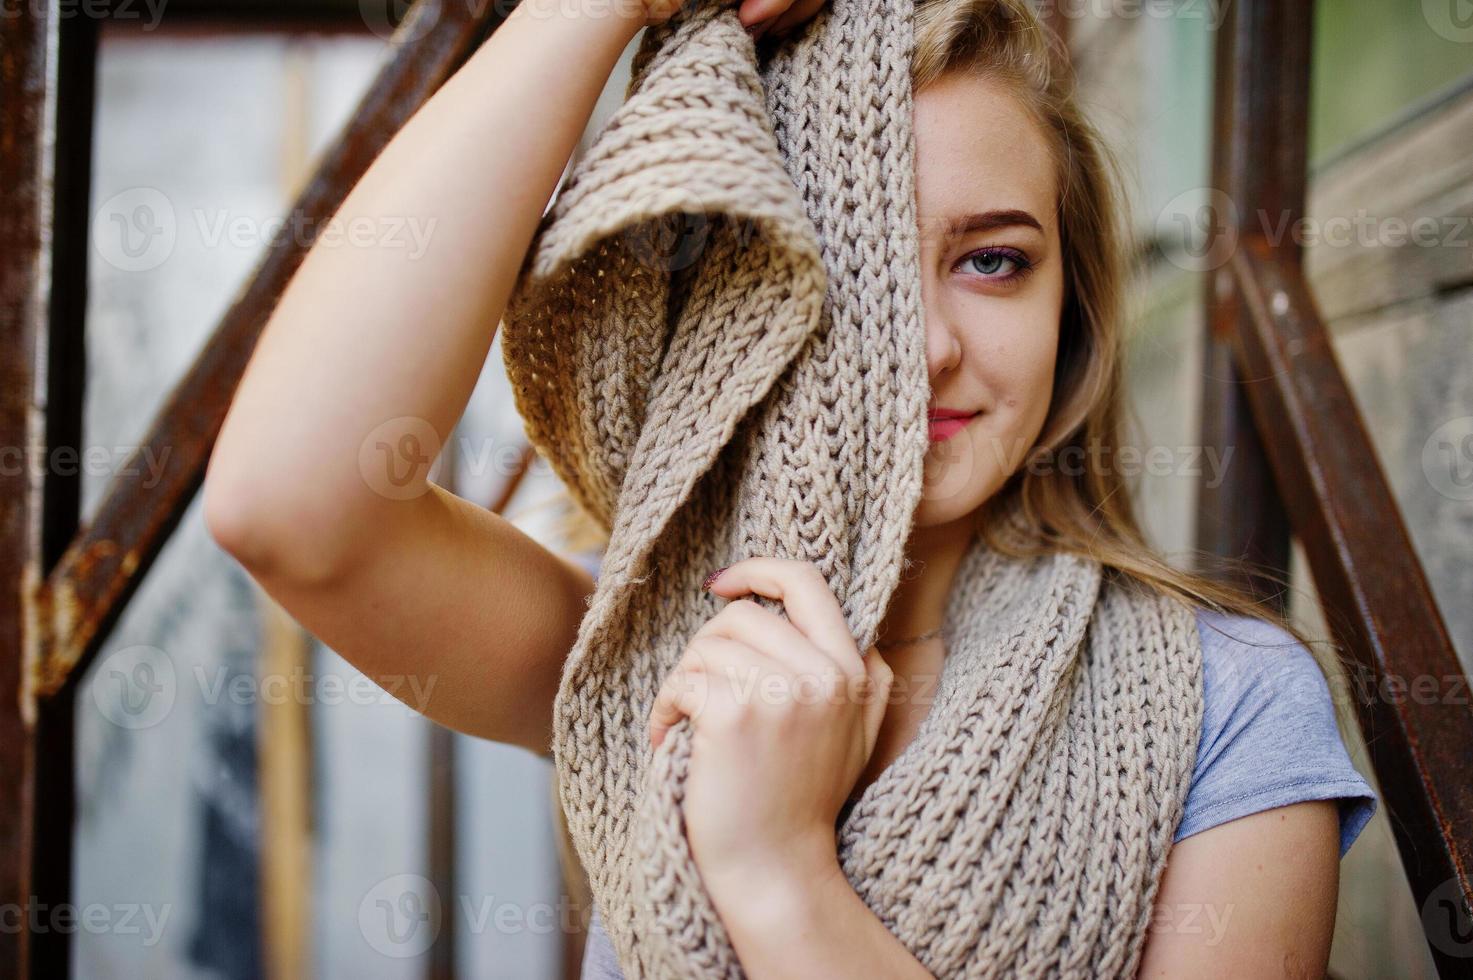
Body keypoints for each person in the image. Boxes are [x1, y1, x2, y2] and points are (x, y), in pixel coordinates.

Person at [203, 0, 1378, 975]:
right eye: (842, 258)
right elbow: (289, 505)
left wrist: (780, 873)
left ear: (1068, 308)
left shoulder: (1235, 706)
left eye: (992, 261)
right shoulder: (639, 651)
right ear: (726, 310)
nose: (926, 348)